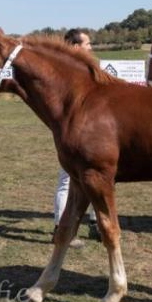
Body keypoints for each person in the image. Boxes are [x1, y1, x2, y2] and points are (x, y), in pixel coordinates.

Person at [53, 29, 100, 248]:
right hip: (75, 133)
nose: (90, 48)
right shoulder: (70, 73)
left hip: (90, 131)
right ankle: (60, 228)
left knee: (94, 179)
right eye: (87, 44)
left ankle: (94, 222)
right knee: (68, 181)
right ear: (75, 47)